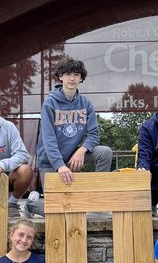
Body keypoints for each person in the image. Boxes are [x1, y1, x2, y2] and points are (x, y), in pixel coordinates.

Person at [33, 58, 112, 205]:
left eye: (76, 74)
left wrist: (82, 150)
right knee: (58, 207)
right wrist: (60, 165)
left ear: (81, 78)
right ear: (60, 76)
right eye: (68, 74)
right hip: (50, 162)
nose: (72, 78)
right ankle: (32, 205)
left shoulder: (86, 103)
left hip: (72, 158)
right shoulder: (50, 103)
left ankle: (98, 197)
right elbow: (49, 139)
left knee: (105, 152)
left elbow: (94, 134)